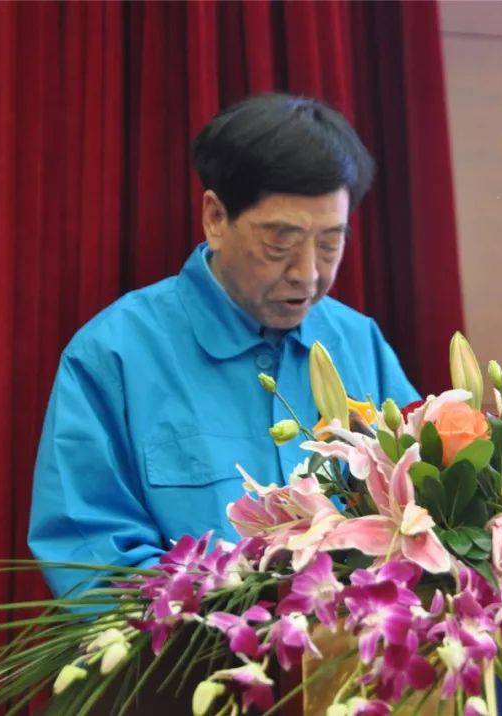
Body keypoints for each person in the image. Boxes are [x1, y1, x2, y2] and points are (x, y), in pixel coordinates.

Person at [29, 94, 420, 598]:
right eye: (280, 242)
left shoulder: (359, 342)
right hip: (192, 646)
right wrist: (240, 622)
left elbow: (418, 502)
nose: (308, 274)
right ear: (215, 217)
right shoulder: (114, 354)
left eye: (329, 244)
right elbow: (90, 551)